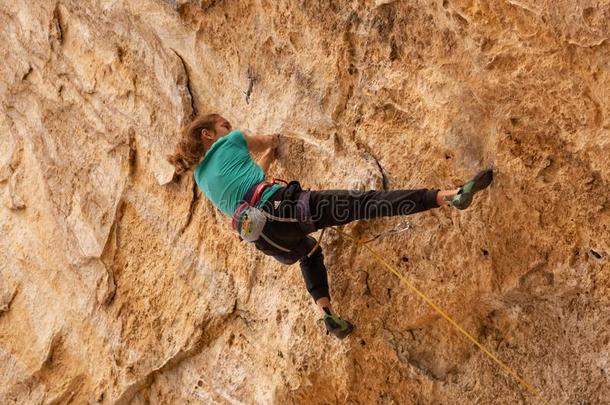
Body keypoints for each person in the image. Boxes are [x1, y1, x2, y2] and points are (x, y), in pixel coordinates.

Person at [167, 113, 493, 339]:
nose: (231, 127)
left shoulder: (201, 179)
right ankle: (449, 196)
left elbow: (251, 178)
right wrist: (272, 143)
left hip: (268, 236)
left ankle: (327, 313)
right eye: (224, 125)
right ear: (208, 134)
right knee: (366, 203)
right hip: (290, 208)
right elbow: (267, 141)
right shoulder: (233, 141)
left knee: (309, 252)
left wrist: (265, 158)